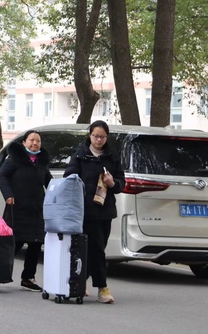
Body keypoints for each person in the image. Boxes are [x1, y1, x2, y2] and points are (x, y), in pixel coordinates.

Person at [64, 120, 125, 304]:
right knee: (97, 249)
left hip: (105, 210)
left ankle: (81, 281)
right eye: (96, 136)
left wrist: (112, 183)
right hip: (85, 210)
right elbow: (69, 177)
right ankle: (102, 288)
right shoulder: (80, 155)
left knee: (97, 248)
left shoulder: (112, 156)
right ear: (90, 135)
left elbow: (121, 183)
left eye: (102, 137)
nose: (99, 140)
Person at [0, 130, 52, 292]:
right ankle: (0, 272)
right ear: (24, 142)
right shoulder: (15, 158)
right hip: (18, 207)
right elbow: (2, 176)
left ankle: (28, 278)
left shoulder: (41, 161)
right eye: (31, 140)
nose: (35, 143)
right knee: (15, 243)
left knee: (36, 243)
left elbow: (49, 182)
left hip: (36, 209)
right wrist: (8, 195)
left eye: (38, 141)